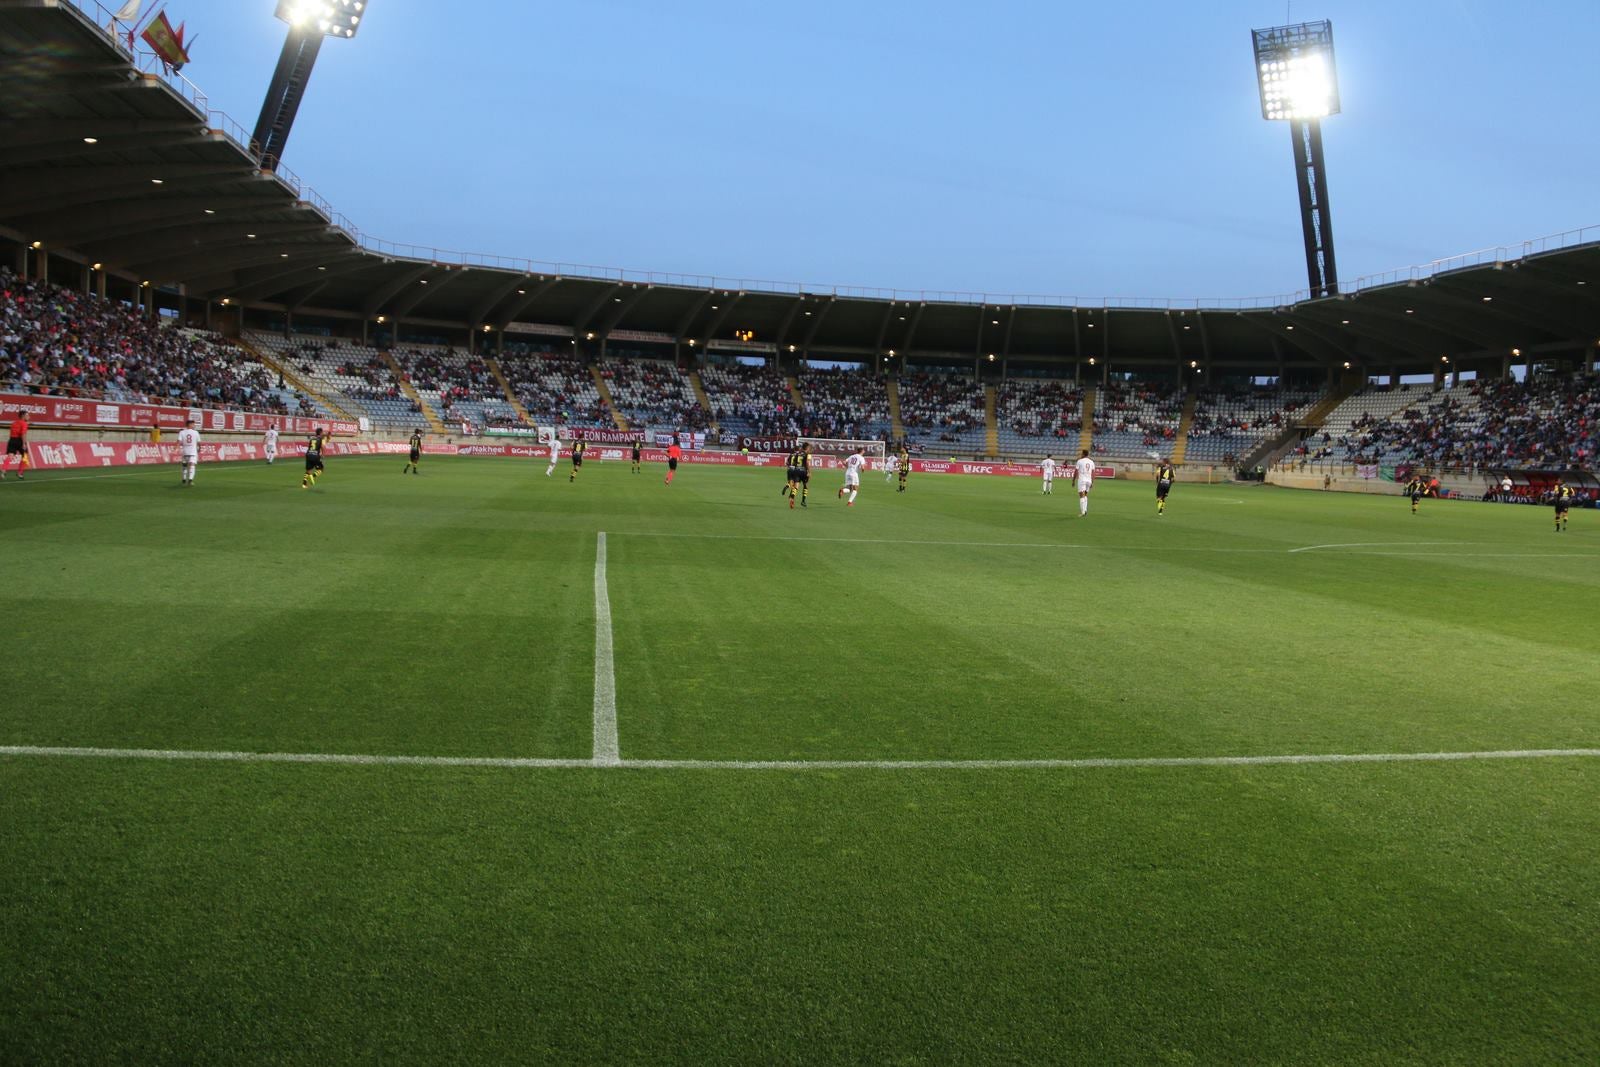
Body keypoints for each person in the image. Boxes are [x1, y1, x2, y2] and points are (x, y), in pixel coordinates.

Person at [2, 411, 29, 480]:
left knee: (10, 456)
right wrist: (23, 444)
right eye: (27, 415)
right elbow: (23, 434)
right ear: (23, 416)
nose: (29, 417)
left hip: (12, 440)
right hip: (19, 441)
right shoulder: (24, 423)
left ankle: (4, 471)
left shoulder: (14, 423)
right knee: (25, 455)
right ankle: (20, 473)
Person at [177, 417, 200, 487]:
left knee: (184, 465)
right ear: (189, 424)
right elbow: (199, 442)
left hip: (185, 452)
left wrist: (177, 447)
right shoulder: (196, 432)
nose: (194, 425)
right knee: (192, 465)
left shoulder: (182, 432)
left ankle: (184, 479)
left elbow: (178, 441)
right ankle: (190, 480)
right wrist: (199, 448)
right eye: (193, 424)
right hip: (193, 452)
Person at [1074, 449, 1096, 517]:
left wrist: (1073, 480)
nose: (1081, 455)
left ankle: (1082, 512)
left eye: (1081, 453)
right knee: (1085, 495)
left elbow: (1076, 471)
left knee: (1081, 496)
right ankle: (1085, 510)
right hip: (1088, 481)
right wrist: (1092, 482)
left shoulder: (1080, 461)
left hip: (1082, 480)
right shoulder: (1091, 462)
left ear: (1083, 454)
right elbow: (1093, 473)